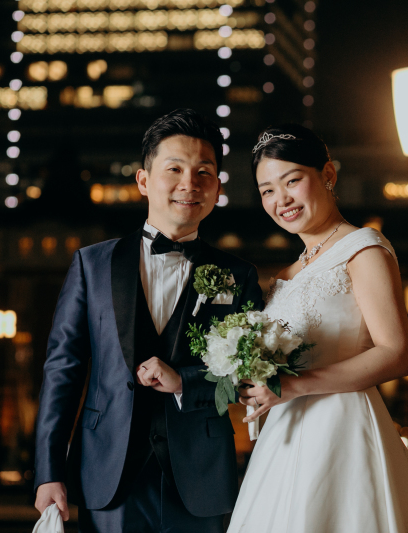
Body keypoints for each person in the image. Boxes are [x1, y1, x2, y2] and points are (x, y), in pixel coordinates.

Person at [33, 109, 262, 533]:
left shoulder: (240, 275)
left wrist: (185, 381)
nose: (188, 184)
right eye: (174, 169)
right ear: (143, 180)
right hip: (108, 473)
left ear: (216, 188)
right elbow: (63, 370)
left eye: (203, 173)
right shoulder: (92, 264)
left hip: (202, 477)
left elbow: (250, 377)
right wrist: (49, 470)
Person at [229, 125, 408, 532]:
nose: (281, 199)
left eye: (292, 181)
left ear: (328, 174)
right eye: (267, 190)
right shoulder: (286, 274)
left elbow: (398, 353)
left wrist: (295, 385)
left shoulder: (364, 248)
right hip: (284, 435)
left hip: (342, 427)